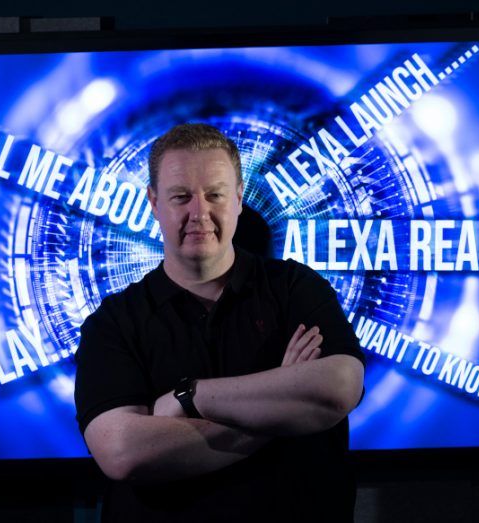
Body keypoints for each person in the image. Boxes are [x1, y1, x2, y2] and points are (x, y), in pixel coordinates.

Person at [74, 123, 365, 522]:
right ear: (154, 203)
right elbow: (123, 452)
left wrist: (189, 397)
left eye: (215, 194)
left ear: (239, 200)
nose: (200, 212)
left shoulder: (297, 287)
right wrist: (282, 412)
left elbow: (339, 386)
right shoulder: (113, 323)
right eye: (181, 197)